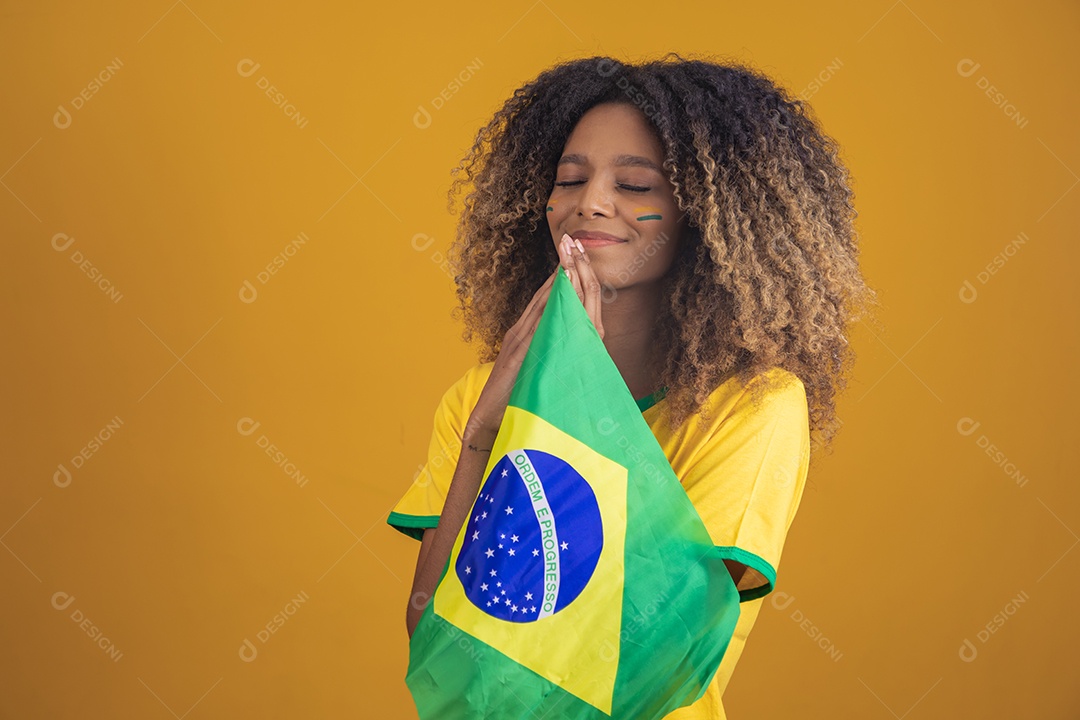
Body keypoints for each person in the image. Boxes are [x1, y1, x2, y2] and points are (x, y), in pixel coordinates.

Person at [388, 53, 879, 719]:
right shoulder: (479, 396)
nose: (590, 202)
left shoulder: (754, 407)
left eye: (637, 186)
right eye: (570, 178)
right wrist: (483, 433)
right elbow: (439, 647)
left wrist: (574, 400)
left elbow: (649, 660)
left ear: (705, 215)